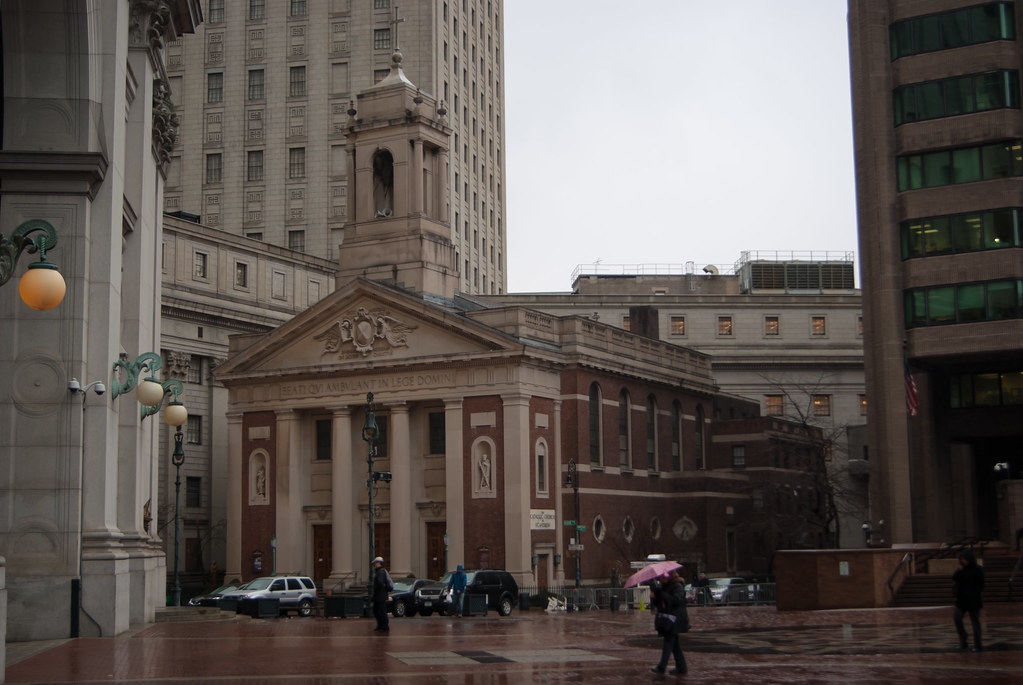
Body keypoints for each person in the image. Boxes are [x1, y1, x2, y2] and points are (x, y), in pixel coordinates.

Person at [650, 570, 689, 675]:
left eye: (663, 576)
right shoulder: (664, 587)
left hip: (675, 619)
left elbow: (676, 600)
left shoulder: (677, 586)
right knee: (674, 644)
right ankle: (682, 667)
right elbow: (660, 604)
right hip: (667, 618)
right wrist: (655, 596)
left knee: (668, 642)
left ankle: (662, 666)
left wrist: (662, 594)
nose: (661, 579)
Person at [952, 550, 984, 652]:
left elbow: (981, 584)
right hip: (961, 600)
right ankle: (963, 640)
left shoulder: (978, 569)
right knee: (957, 618)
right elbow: (954, 578)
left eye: (964, 559)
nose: (963, 561)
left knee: (975, 623)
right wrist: (959, 570)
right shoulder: (961, 569)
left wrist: (974, 593)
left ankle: (977, 644)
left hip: (974, 600)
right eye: (961, 559)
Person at [371, 556, 393, 633]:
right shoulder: (381, 571)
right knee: (378, 610)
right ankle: (381, 626)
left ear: (378, 563)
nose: (374, 564)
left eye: (375, 563)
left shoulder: (380, 572)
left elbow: (380, 584)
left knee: (381, 611)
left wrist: (376, 594)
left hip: (380, 595)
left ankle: (384, 627)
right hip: (381, 595)